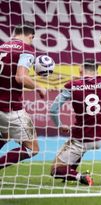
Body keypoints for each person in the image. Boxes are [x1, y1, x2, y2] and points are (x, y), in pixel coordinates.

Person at [49, 34, 101, 186]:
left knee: (54, 169)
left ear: (80, 70)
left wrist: (59, 125)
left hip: (82, 138)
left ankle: (80, 176)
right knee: (75, 151)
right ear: (97, 70)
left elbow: (53, 110)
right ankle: (70, 174)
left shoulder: (71, 86)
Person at [0, 24, 46, 170]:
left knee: (5, 134)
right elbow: (20, 77)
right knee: (33, 148)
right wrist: (39, 87)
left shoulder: (2, 47)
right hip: (10, 107)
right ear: (31, 36)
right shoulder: (27, 49)